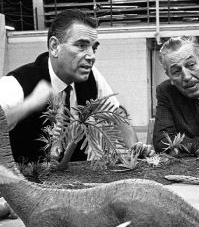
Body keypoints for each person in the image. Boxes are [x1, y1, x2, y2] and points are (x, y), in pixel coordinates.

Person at [0, 9, 138, 164]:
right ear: (54, 47)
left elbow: (115, 114)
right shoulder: (16, 83)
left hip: (76, 181)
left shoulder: (92, 76)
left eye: (94, 48)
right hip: (26, 181)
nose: (91, 56)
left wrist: (135, 148)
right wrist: (29, 104)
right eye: (81, 45)